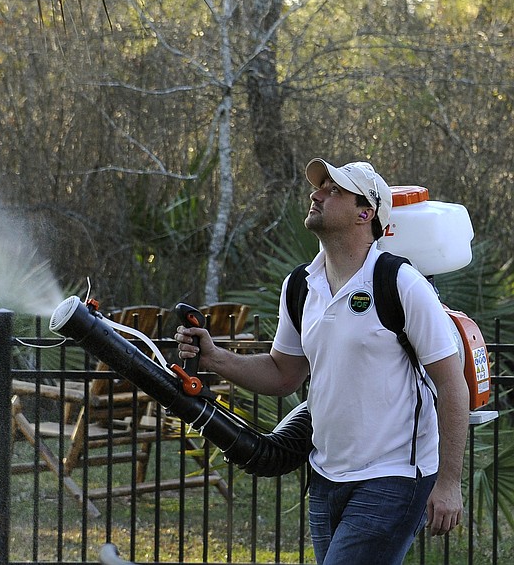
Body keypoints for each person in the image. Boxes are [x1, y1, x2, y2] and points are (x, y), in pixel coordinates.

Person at [175, 158, 469, 565]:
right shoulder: (300, 284)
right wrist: (215, 357)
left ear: (365, 213)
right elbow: (283, 373)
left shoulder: (400, 283)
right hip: (326, 478)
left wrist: (449, 482)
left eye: (334, 191)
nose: (316, 195)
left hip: (395, 477)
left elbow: (453, 385)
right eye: (320, 188)